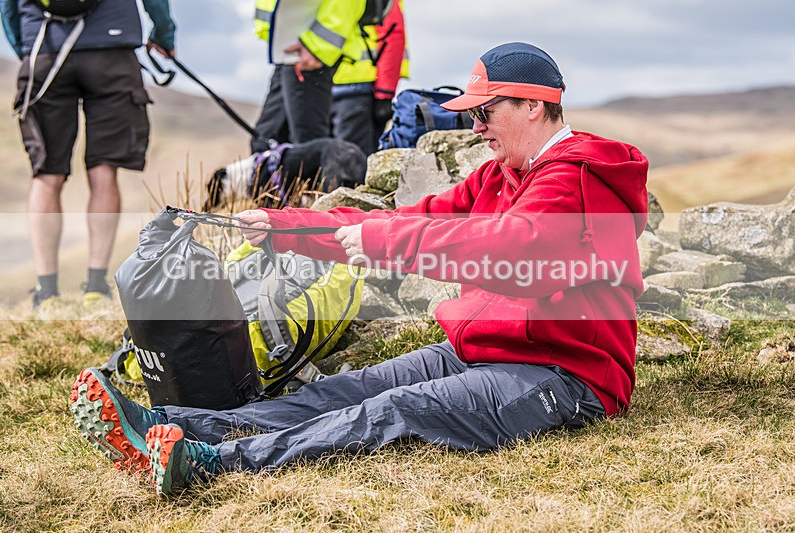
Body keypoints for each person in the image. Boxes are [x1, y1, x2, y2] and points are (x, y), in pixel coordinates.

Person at [70, 42, 649, 495]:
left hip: (567, 375)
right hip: (487, 349)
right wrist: (289, 228)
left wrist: (380, 239)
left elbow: (503, 247)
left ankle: (207, 464)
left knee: (391, 412)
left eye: (486, 111)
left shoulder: (576, 180)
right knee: (351, 388)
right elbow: (410, 217)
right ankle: (171, 425)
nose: (475, 127)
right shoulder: (501, 175)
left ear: (533, 104)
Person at [0, 0, 176, 309]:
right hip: (113, 48)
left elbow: (6, 5)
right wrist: (163, 34)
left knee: (46, 174)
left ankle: (47, 291)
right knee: (104, 170)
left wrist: (26, 46)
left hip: (44, 46)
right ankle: (95, 287)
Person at [250, 0, 368, 154]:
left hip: (308, 47)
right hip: (291, 44)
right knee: (266, 142)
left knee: (307, 147)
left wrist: (317, 46)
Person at [331, 0, 408, 155]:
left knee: (351, 160)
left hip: (357, 87)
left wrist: (384, 93)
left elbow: (392, 36)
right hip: (332, 85)